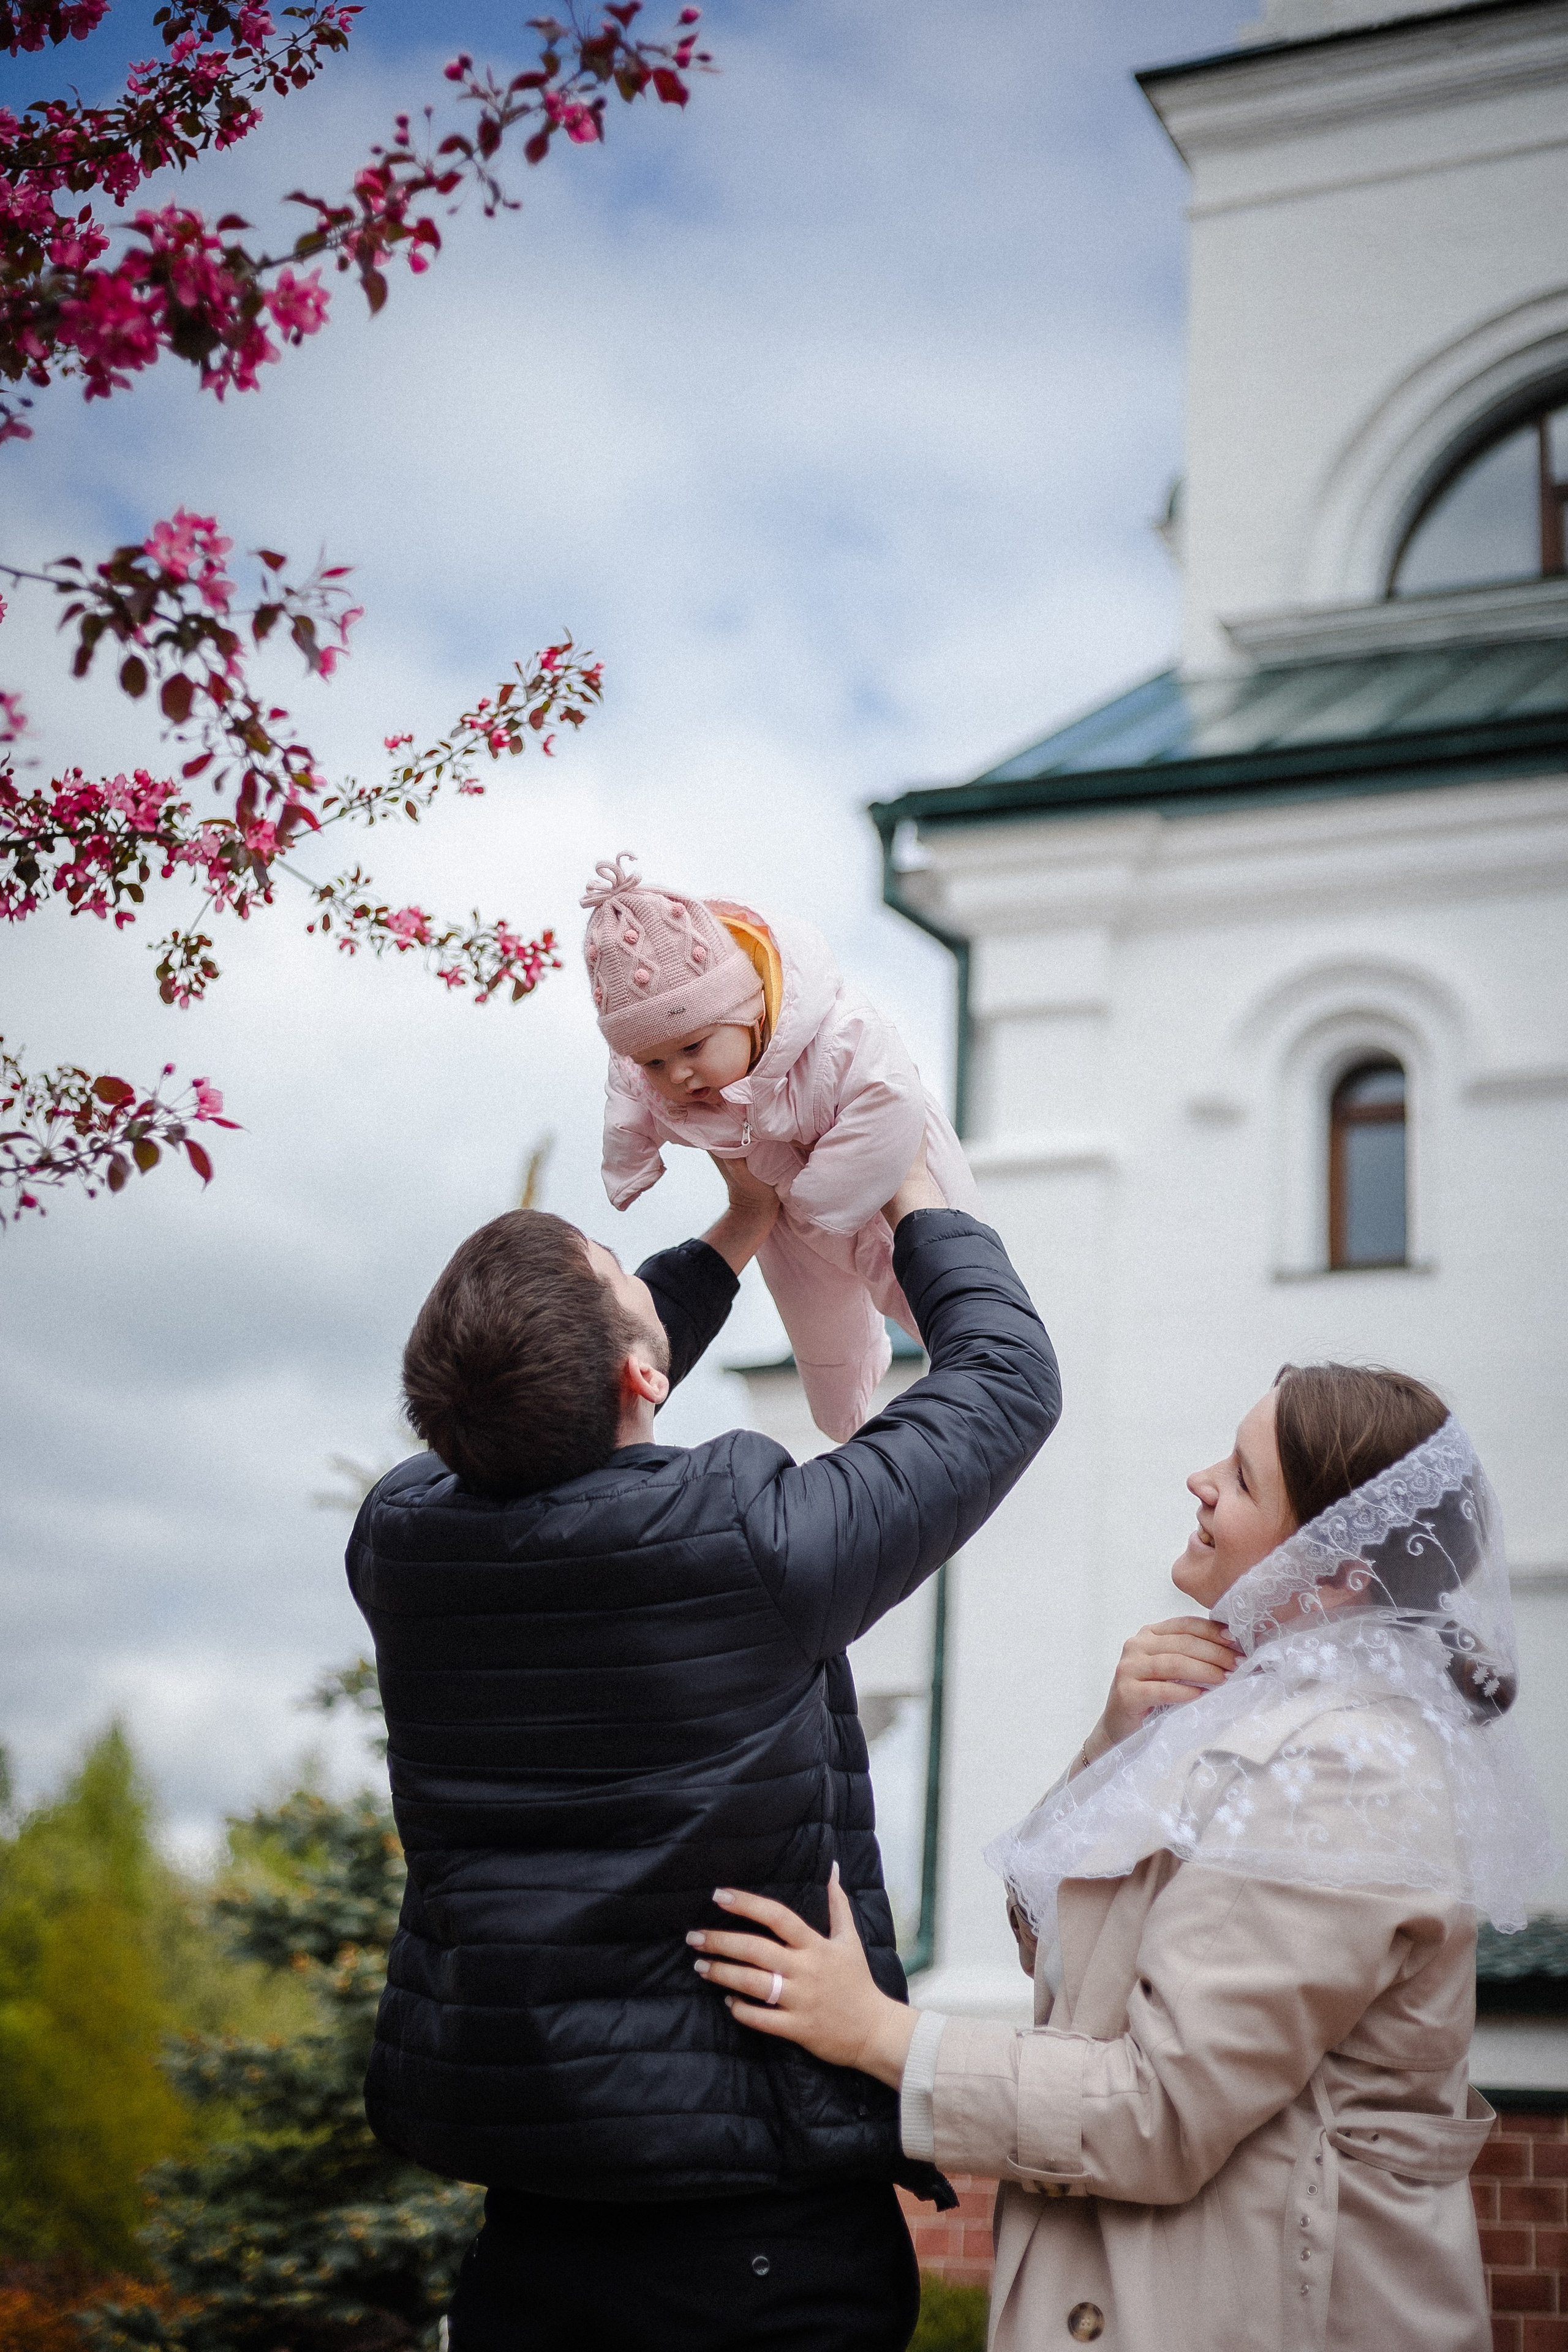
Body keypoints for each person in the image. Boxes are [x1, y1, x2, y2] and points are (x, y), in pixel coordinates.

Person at [347, 1147, 1061, 2352]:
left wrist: (734, 1234)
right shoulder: (748, 1543)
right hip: (758, 2246)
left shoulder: (403, 1543)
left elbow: (536, 1409)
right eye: (619, 1271)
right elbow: (1004, 1380)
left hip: (531, 2234)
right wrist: (906, 1186)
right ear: (639, 1370)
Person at [691, 1364, 1556, 2352]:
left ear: (1338, 1568)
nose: (1200, 1482)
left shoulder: (1350, 1768)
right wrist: (1115, 1741)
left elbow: (1157, 2110)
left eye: (1240, 1477)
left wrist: (877, 2034)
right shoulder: (1246, 1709)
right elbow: (1054, 1949)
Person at [580, 851, 980, 1442]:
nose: (679, 1077)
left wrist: (819, 1196)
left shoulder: (838, 1035)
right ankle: (841, 1416)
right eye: (656, 1061)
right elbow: (627, 1102)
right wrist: (631, 1165)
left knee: (936, 1288)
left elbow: (891, 1099)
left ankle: (974, 1367)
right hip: (788, 1218)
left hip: (884, 1183)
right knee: (816, 1323)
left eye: (694, 1047)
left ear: (745, 1011)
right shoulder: (651, 1079)